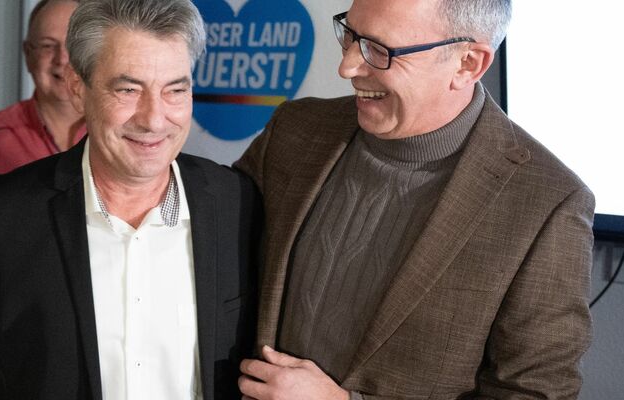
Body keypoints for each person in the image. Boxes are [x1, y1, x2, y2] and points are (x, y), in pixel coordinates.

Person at [235, 0, 594, 399]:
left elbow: (532, 393)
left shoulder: (546, 203)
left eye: (380, 50)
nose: (348, 66)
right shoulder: (296, 129)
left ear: (468, 64)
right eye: (350, 36)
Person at [0, 0, 260, 399]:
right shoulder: (3, 216)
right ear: (78, 88)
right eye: (128, 89)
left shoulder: (236, 202)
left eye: (175, 89)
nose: (154, 119)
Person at [0, 0, 86, 184]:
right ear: (28, 54)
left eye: (74, 46)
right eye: (48, 45)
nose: (62, 59)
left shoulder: (118, 131)